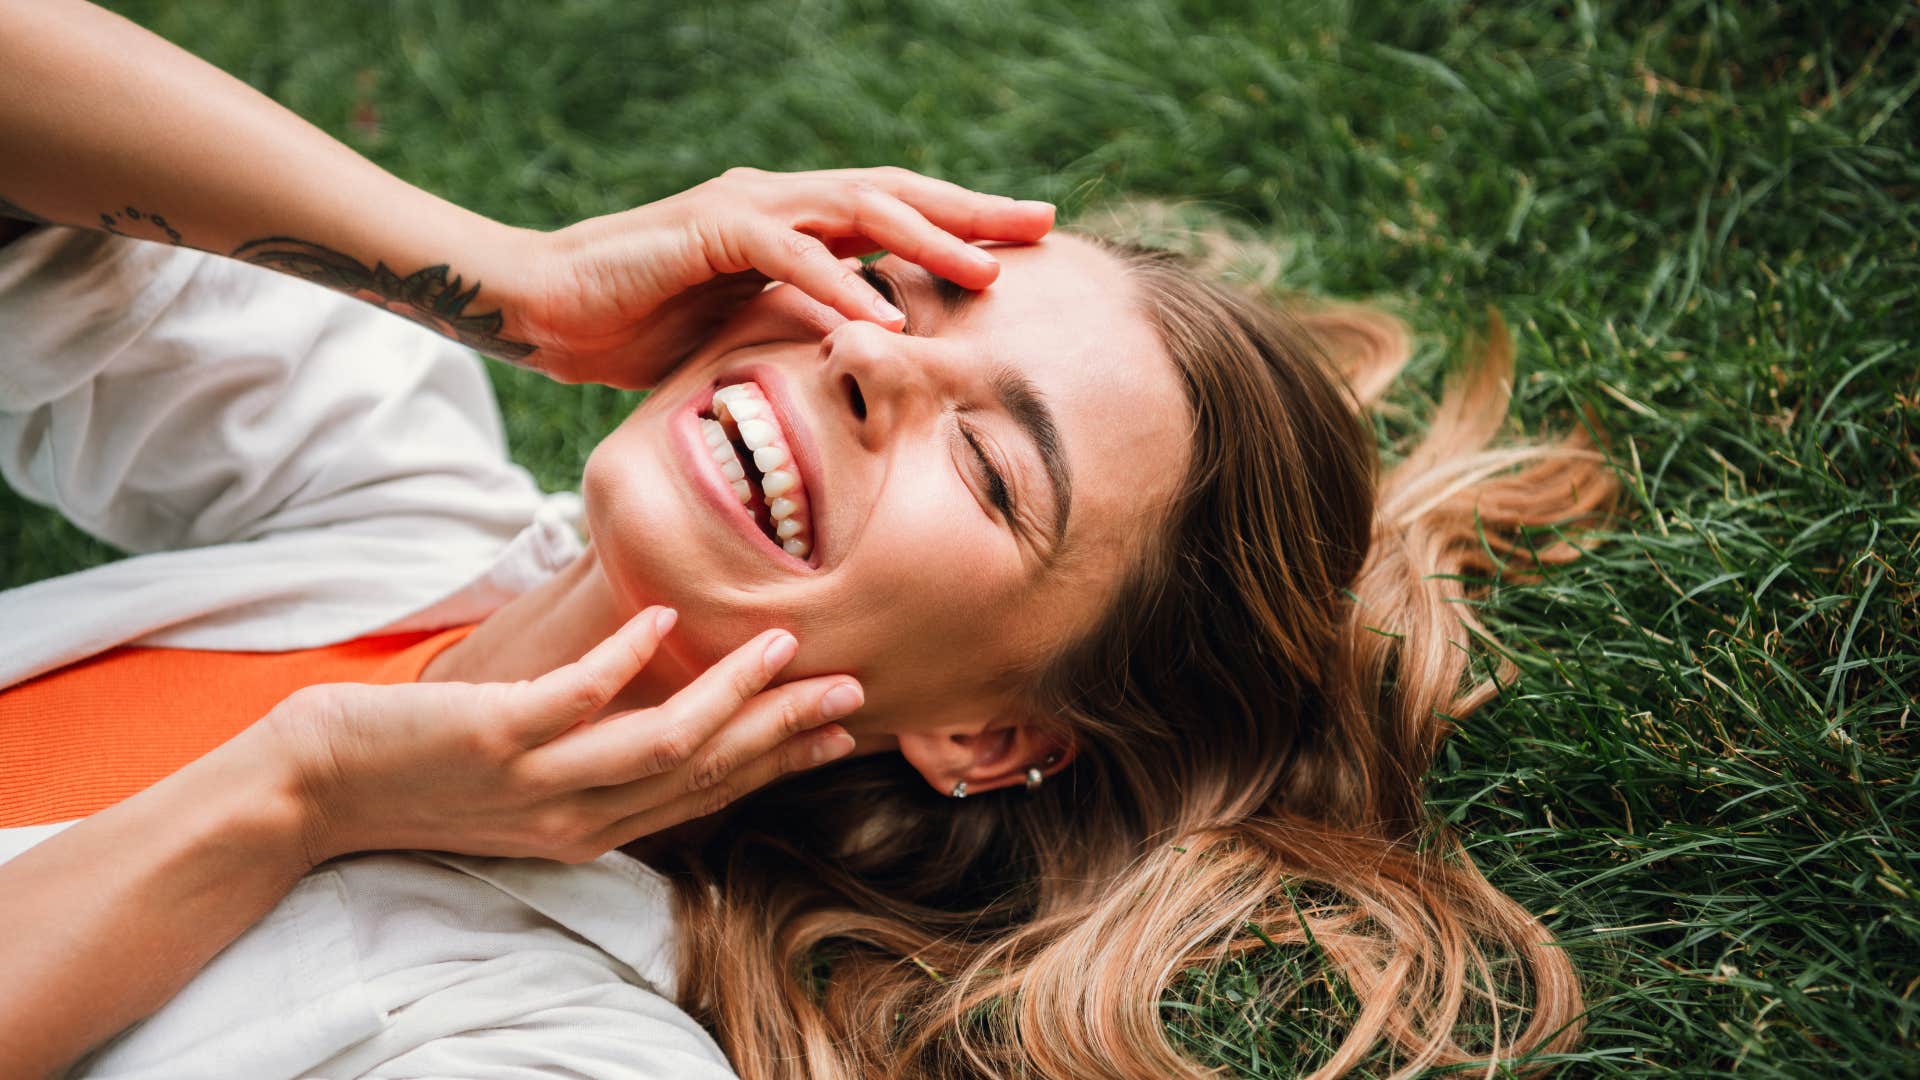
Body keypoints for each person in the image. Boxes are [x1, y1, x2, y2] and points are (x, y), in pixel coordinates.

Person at [0, 2, 1614, 1077]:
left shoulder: (534, 1037)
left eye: (990, 469)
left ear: (990, 734)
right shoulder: (394, 495)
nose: (866, 357)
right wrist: (507, 276)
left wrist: (307, 792)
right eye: (889, 293)